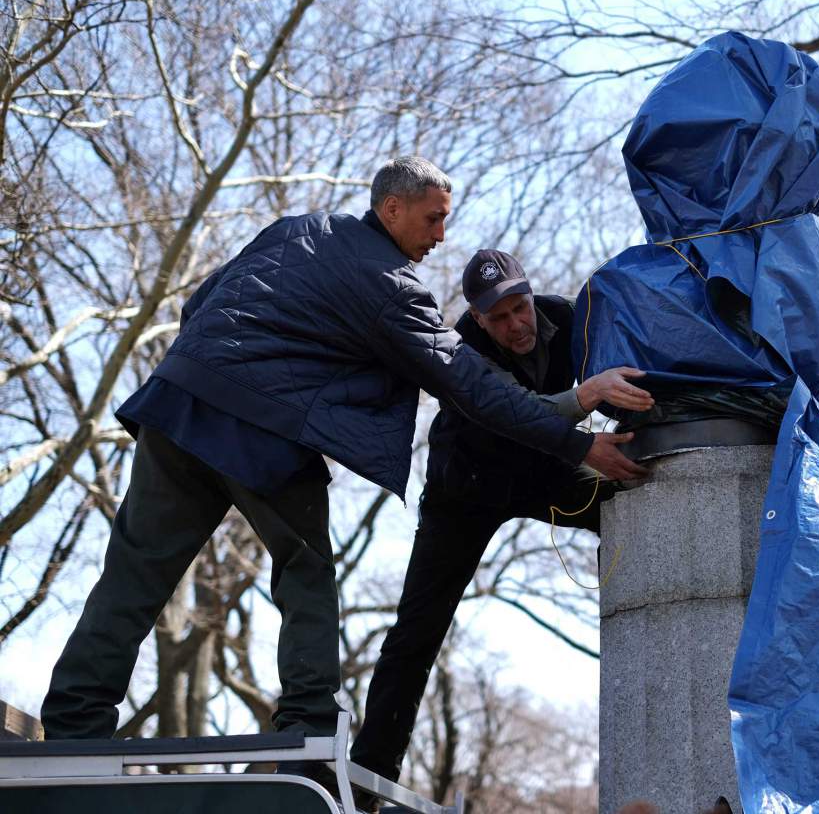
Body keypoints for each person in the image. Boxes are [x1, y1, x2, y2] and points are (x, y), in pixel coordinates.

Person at [39, 158, 646, 744]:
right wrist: (578, 443)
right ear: (392, 208)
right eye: (433, 218)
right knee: (305, 571)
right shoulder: (390, 287)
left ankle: (73, 721)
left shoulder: (296, 229)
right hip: (261, 426)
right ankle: (308, 730)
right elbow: (475, 389)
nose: (442, 233)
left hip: (180, 401)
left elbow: (198, 303)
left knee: (134, 572)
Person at [349, 249, 655, 783]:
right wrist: (585, 417)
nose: (516, 325)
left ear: (530, 294)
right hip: (467, 486)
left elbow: (624, 384)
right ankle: (370, 774)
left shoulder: (567, 318)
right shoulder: (457, 350)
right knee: (417, 631)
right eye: (499, 318)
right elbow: (515, 412)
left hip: (548, 469)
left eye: (520, 308)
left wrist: (629, 427)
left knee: (635, 507)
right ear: (479, 318)